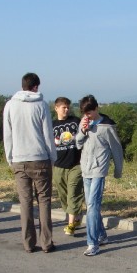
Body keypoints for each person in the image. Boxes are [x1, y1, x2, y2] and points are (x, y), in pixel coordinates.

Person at [3, 72, 57, 253]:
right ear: (35, 86)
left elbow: (7, 134)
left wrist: (10, 157)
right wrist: (52, 157)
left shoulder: (10, 105)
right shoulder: (41, 105)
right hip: (40, 158)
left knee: (25, 202)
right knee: (44, 200)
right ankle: (46, 243)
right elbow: (48, 134)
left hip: (19, 159)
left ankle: (28, 243)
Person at [75, 95, 123, 256]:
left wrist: (118, 170)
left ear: (96, 108)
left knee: (92, 206)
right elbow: (78, 143)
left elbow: (116, 149)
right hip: (85, 169)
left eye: (89, 112)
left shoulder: (107, 126)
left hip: (99, 170)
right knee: (92, 206)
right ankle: (102, 235)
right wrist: (83, 130)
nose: (87, 115)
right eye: (84, 113)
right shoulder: (84, 122)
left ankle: (92, 243)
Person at [52, 97, 84, 236]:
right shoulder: (52, 125)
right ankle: (76, 216)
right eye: (63, 107)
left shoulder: (75, 121)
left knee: (73, 193)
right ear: (56, 108)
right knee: (63, 195)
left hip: (76, 164)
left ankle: (70, 225)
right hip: (58, 165)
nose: (66, 110)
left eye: (68, 107)